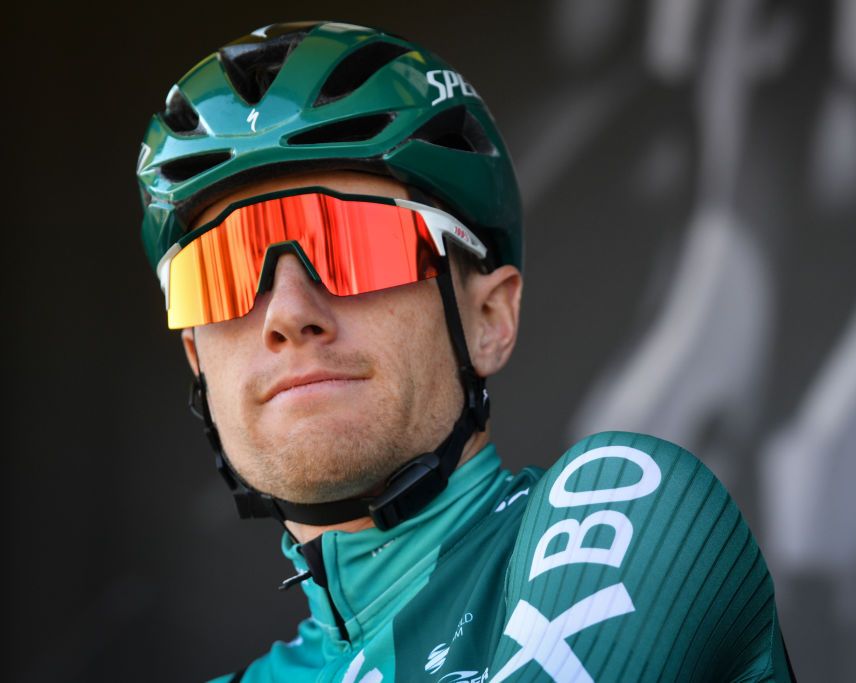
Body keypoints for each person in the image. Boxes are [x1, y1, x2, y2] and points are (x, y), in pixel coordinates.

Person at [136, 20, 797, 683]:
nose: (287, 314)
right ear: (197, 358)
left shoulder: (629, 502)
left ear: (490, 317)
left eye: (353, 247)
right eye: (219, 272)